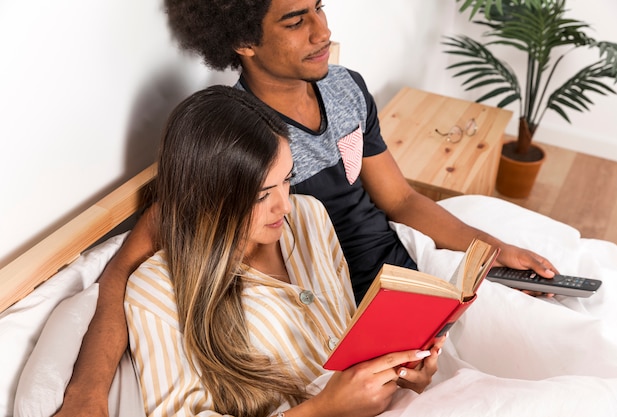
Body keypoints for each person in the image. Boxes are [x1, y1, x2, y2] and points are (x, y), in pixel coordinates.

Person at [54, 1, 558, 415]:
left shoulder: (342, 96)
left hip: (399, 300)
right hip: (363, 320)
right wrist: (86, 394)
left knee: (547, 345)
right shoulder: (233, 150)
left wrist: (492, 249)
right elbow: (123, 272)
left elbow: (400, 198)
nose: (323, 30)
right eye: (296, 20)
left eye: (319, 7)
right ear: (243, 41)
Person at [125, 84, 444, 416]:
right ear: (207, 194)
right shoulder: (157, 290)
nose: (285, 206)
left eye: (287, 180)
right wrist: (324, 410)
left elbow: (347, 344)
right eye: (263, 195)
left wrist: (402, 376)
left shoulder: (310, 216)